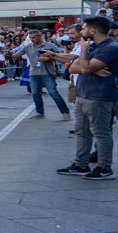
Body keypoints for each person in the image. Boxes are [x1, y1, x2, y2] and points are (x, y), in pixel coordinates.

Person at [58, 17, 118, 180]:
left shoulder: (110, 47)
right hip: (84, 94)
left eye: (84, 28)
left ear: (93, 30)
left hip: (99, 96)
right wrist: (88, 67)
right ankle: (80, 164)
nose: (82, 31)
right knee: (81, 131)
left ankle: (104, 168)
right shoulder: (93, 46)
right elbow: (73, 67)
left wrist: (85, 59)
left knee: (101, 132)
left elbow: (83, 67)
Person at [13, 30, 71, 120]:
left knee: (53, 92)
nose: (32, 39)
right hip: (34, 73)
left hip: (47, 72)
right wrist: (9, 54)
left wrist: (49, 58)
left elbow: (60, 57)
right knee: (35, 93)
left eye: (34, 37)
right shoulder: (28, 46)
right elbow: (17, 54)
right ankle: (40, 113)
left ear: (40, 36)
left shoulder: (50, 46)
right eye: (30, 37)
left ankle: (65, 112)